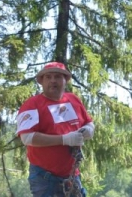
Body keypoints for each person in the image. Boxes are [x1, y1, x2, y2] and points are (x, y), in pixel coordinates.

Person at [15, 62, 94, 197]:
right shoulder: (32, 104)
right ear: (41, 82)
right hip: (45, 178)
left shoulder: (73, 100)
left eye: (57, 77)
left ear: (65, 80)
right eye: (48, 77)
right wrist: (64, 139)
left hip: (72, 176)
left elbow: (89, 122)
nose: (53, 81)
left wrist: (88, 129)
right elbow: (27, 137)